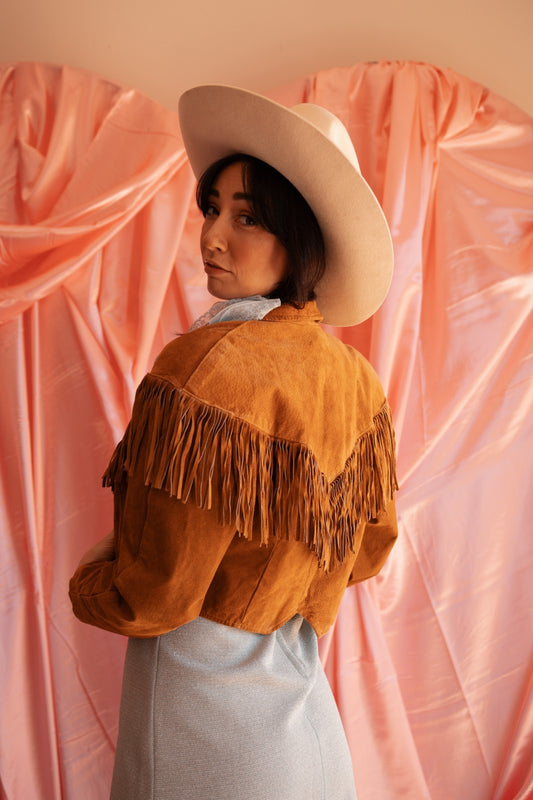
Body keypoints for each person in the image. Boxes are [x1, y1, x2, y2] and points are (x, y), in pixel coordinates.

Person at [69, 85, 399, 800]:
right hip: (309, 731)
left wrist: (91, 579)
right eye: (212, 208)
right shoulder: (356, 381)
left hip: (205, 734)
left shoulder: (203, 366)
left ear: (302, 236)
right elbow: (369, 551)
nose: (213, 236)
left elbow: (154, 594)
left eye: (247, 217)